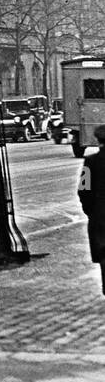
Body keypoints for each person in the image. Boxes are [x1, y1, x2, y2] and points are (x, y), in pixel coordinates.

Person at [78, 124, 105, 297]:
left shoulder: (90, 162)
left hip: (101, 218)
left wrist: (91, 211)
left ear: (97, 140)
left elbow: (83, 190)